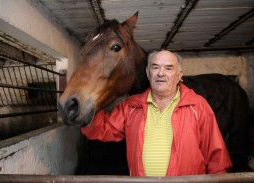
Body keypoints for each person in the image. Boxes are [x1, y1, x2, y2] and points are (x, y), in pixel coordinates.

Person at [81, 50, 232, 176]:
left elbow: (216, 156)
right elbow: (100, 129)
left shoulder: (197, 105)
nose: (161, 73)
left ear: (179, 75)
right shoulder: (132, 106)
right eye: (155, 67)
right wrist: (89, 99)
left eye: (168, 68)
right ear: (148, 73)